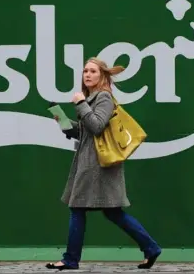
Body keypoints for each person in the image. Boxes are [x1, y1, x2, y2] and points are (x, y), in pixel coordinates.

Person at [45, 57, 162, 271]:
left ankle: (71, 259)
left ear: (102, 76)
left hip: (97, 165)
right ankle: (151, 247)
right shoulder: (93, 99)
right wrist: (63, 122)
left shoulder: (104, 97)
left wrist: (80, 103)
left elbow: (97, 125)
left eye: (92, 71)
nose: (87, 75)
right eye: (85, 71)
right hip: (92, 162)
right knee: (113, 212)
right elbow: (85, 132)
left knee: (77, 208)